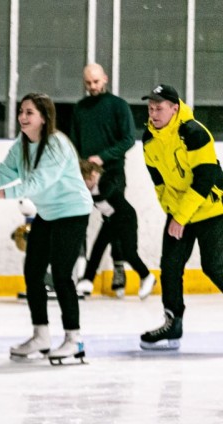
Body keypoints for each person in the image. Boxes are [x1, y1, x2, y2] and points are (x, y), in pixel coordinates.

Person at [0, 92, 93, 364]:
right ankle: (41, 335)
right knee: (33, 272)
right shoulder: (22, 143)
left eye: (29, 112)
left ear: (44, 117)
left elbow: (38, 183)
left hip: (72, 212)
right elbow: (5, 171)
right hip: (48, 213)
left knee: (62, 275)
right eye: (21, 112)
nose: (22, 117)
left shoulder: (56, 145)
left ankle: (74, 339)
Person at [139, 84, 223, 351]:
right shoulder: (149, 139)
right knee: (171, 267)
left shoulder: (194, 132)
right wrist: (171, 212)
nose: (154, 113)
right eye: (151, 108)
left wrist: (181, 217)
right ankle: (172, 323)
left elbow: (206, 178)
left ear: (175, 108)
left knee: (214, 266)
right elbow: (159, 181)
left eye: (159, 108)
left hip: (212, 210)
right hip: (179, 214)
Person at [70, 63, 155, 299]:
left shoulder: (118, 106)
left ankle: (109, 271)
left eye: (96, 82)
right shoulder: (80, 108)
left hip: (112, 174)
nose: (92, 87)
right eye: (88, 83)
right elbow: (75, 142)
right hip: (87, 175)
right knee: (84, 221)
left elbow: (128, 139)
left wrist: (103, 158)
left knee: (112, 223)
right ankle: (83, 275)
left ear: (105, 79)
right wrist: (81, 167)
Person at [78, 159, 154, 299]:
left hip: (126, 218)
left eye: (85, 182)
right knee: (98, 248)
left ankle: (147, 276)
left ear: (93, 175)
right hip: (111, 220)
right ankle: (88, 280)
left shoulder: (105, 181)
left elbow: (104, 194)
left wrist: (85, 196)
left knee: (129, 253)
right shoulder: (88, 188)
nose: (84, 186)